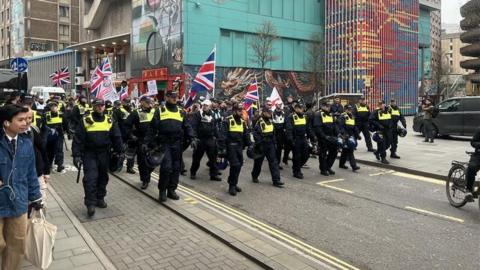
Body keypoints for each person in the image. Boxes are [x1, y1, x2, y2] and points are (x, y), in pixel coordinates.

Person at [0, 104, 43, 270]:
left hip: (19, 202)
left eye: (27, 119)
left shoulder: (26, 143)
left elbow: (31, 172)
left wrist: (36, 196)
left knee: (16, 245)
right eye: (21, 120)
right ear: (6, 123)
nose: (26, 123)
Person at [72, 99, 123, 217]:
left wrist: (120, 151)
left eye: (102, 105)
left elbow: (116, 136)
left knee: (103, 177)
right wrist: (76, 155)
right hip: (89, 154)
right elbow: (78, 139)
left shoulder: (109, 120)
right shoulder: (86, 120)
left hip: (104, 154)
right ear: (93, 107)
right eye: (98, 105)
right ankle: (90, 203)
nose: (100, 107)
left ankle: (100, 198)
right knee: (90, 178)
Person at [146, 91, 195, 202]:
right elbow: (152, 128)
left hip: (177, 144)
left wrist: (192, 137)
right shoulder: (160, 110)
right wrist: (146, 142)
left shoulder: (181, 111)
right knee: (166, 168)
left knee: (176, 168)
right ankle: (162, 191)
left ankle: (171, 190)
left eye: (176, 97)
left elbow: (187, 126)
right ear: (166, 97)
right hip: (165, 143)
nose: (175, 98)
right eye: (172, 97)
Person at [218, 104, 251, 195]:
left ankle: (233, 182)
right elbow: (222, 135)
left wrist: (250, 144)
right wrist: (223, 148)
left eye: (242, 110)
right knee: (235, 165)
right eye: (239, 110)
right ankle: (231, 186)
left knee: (239, 165)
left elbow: (246, 134)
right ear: (234, 111)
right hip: (230, 147)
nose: (241, 112)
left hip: (239, 147)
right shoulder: (227, 120)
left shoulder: (242, 121)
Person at [125, 96, 156, 189]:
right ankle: (145, 180)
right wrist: (131, 136)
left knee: (154, 161)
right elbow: (126, 125)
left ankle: (147, 173)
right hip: (141, 140)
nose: (149, 103)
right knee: (142, 162)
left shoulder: (155, 111)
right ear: (141, 102)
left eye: (150, 102)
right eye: (146, 102)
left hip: (153, 140)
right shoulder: (136, 113)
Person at [251, 106, 284, 187]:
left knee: (274, 163)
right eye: (268, 113)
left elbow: (273, 133)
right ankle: (254, 176)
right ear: (264, 113)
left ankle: (276, 180)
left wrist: (274, 143)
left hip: (270, 145)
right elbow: (256, 135)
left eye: (270, 112)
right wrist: (259, 145)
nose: (270, 114)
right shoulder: (259, 121)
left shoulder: (270, 121)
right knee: (258, 163)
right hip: (262, 145)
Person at [189, 99, 221, 181]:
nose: (204, 107)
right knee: (196, 158)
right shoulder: (197, 114)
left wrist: (218, 137)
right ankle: (193, 172)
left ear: (210, 107)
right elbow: (193, 126)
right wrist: (194, 137)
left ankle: (213, 175)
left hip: (210, 139)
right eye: (203, 105)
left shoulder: (212, 115)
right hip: (200, 140)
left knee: (213, 158)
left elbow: (214, 127)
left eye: (206, 105)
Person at [285, 102, 310, 179]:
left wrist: (312, 137)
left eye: (303, 108)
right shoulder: (291, 117)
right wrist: (291, 140)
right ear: (296, 109)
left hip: (303, 138)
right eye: (301, 108)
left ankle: (297, 166)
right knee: (297, 156)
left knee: (306, 155)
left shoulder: (305, 117)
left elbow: (308, 128)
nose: (303, 110)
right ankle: (297, 171)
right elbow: (289, 130)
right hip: (296, 139)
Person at [313, 102, 338, 176]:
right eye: (327, 106)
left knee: (334, 152)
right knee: (323, 154)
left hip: (331, 137)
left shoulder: (331, 114)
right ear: (322, 106)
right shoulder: (318, 114)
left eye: (329, 106)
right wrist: (324, 136)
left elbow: (334, 126)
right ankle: (323, 169)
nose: (328, 107)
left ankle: (328, 167)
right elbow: (318, 127)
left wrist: (338, 134)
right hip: (323, 138)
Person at [338, 105, 361, 171]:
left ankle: (341, 164)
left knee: (345, 150)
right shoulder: (342, 116)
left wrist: (358, 135)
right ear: (345, 110)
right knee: (350, 150)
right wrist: (344, 134)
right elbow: (341, 126)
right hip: (345, 136)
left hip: (351, 135)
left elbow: (354, 127)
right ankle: (354, 166)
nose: (350, 110)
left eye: (350, 109)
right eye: (348, 109)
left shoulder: (352, 116)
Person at [45, 101, 66, 172]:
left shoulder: (61, 114)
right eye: (52, 106)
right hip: (50, 135)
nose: (54, 108)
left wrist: (67, 133)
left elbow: (65, 124)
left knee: (59, 150)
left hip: (59, 135)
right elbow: (44, 125)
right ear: (50, 108)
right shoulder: (46, 115)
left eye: (55, 106)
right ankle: (49, 164)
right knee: (50, 150)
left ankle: (59, 165)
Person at [465, 127, 480, 201]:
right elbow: (473, 142)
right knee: (472, 167)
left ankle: (477, 192)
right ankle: (468, 190)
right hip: (478, 155)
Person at [272, 103, 286, 169]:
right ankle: (273, 163)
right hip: (274, 133)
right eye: (278, 104)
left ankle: (278, 163)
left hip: (281, 134)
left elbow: (285, 123)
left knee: (279, 149)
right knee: (274, 149)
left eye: (280, 104)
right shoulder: (272, 113)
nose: (279, 105)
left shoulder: (283, 113)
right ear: (275, 105)